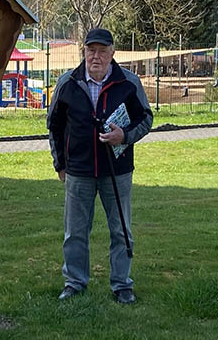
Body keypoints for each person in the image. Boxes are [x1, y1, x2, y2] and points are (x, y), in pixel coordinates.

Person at [47, 28, 153, 304]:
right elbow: (54, 125)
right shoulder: (67, 83)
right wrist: (60, 164)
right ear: (83, 52)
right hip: (78, 171)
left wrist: (125, 136)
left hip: (117, 172)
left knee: (121, 230)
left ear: (112, 53)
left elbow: (145, 119)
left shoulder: (128, 83)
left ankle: (122, 284)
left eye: (102, 51)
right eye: (91, 50)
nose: (96, 56)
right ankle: (74, 283)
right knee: (75, 232)